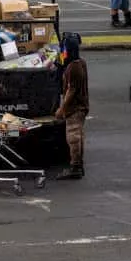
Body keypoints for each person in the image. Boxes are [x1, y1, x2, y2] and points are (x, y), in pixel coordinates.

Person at [53, 37, 89, 180]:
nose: (63, 52)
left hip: (75, 108)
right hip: (81, 106)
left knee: (73, 137)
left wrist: (62, 109)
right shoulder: (80, 63)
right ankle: (78, 165)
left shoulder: (73, 67)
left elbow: (71, 90)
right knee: (78, 135)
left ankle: (75, 167)